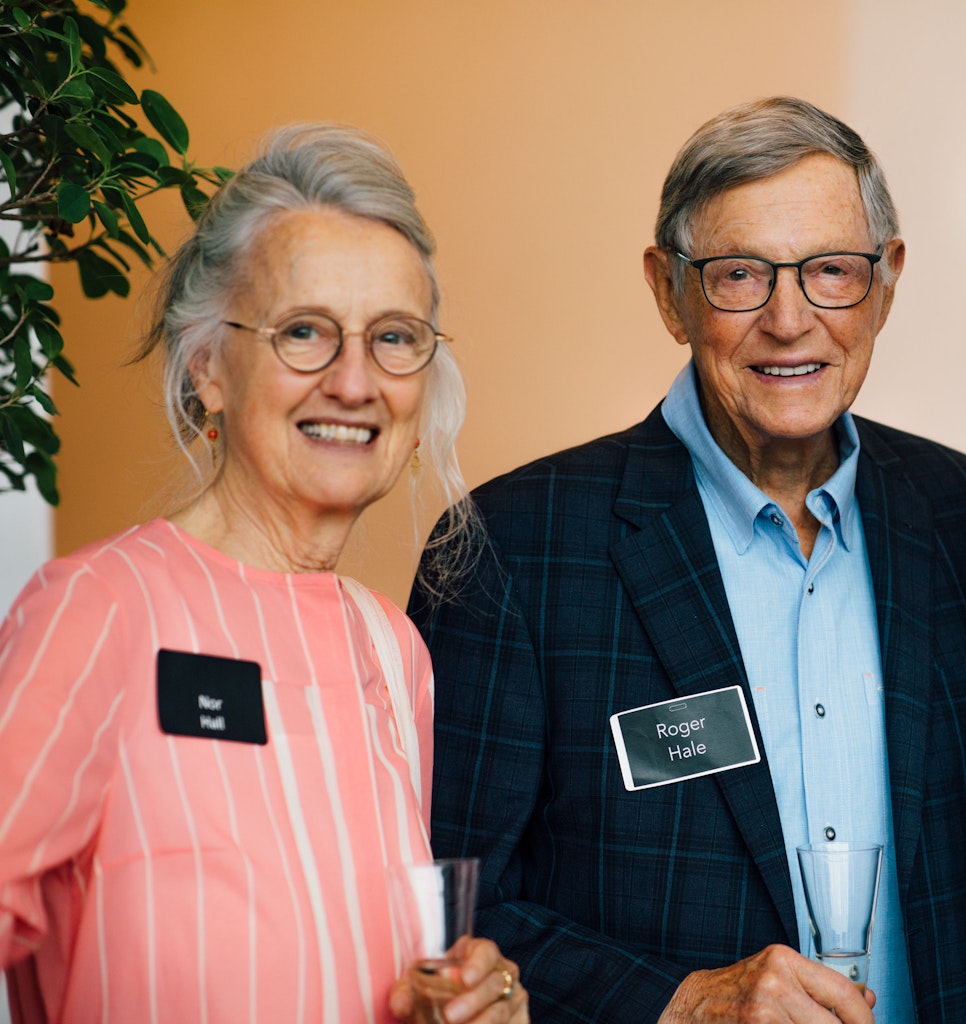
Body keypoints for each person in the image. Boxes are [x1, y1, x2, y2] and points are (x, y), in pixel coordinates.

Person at [409, 97, 966, 1023]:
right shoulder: (511, 548)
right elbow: (445, 912)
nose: (789, 320)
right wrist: (680, 1002)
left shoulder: (955, 517)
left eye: (831, 270)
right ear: (669, 292)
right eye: (739, 275)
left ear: (887, 283)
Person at [0, 123, 528, 1024]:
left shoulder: (393, 647)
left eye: (394, 337)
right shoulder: (98, 609)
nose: (355, 382)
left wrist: (475, 1001)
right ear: (208, 365)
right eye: (304, 332)